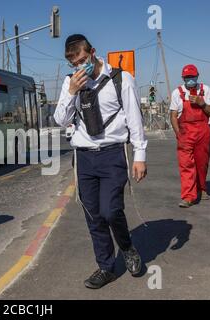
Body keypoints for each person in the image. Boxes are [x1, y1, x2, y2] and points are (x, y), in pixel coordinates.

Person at [54, 34, 148, 289]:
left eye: (83, 60)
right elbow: (61, 120)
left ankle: (127, 247)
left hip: (111, 154)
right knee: (93, 215)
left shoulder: (120, 79)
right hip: (83, 157)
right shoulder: (71, 84)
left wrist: (140, 155)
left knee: (111, 210)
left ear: (93, 52)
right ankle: (106, 266)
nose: (79, 67)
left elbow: (134, 120)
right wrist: (72, 91)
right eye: (74, 64)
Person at [169, 65, 210, 208]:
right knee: (186, 165)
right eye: (187, 77)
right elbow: (173, 115)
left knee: (202, 163)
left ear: (197, 76)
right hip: (186, 133)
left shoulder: (205, 90)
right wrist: (179, 134)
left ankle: (201, 188)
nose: (190, 80)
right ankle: (188, 196)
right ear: (183, 78)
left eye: (192, 77)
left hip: (203, 132)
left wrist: (202, 103)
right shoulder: (177, 93)